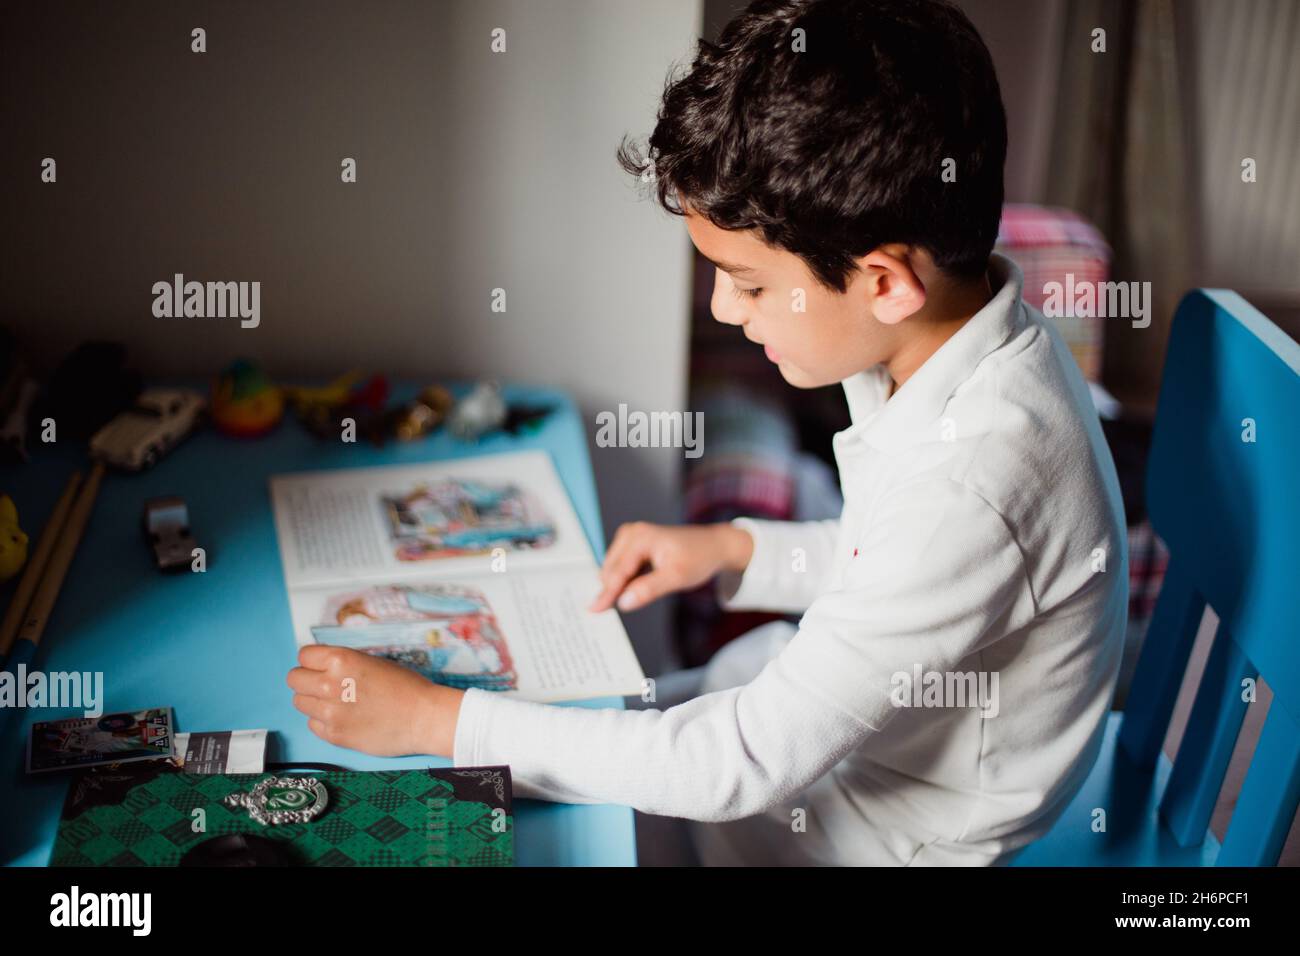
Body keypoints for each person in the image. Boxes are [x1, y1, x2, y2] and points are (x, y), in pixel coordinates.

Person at [287, 0, 1128, 865]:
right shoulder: (970, 334)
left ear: (886, 282)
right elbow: (893, 555)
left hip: (878, 836)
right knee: (579, 720)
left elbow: (738, 763)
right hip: (855, 753)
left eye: (751, 285)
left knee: (522, 809)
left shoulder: (975, 482)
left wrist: (435, 720)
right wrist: (735, 550)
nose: (728, 309)